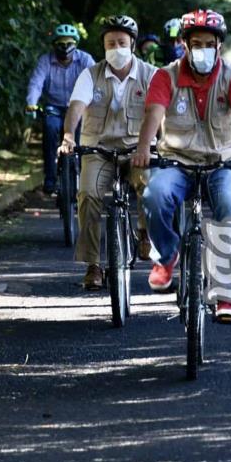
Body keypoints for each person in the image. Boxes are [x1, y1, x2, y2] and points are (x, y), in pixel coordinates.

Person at [131, 9, 231, 324]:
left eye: (208, 43)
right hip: (176, 160)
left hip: (224, 160)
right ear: (184, 45)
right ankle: (167, 255)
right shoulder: (167, 75)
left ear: (219, 46)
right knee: (154, 196)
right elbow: (153, 114)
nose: (202, 49)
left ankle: (227, 293)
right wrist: (143, 148)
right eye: (196, 43)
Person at [59, 16, 157, 289]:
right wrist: (68, 136)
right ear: (103, 47)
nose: (116, 48)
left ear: (133, 45)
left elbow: (161, 114)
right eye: (110, 43)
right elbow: (77, 106)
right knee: (87, 194)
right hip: (98, 150)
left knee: (149, 186)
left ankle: (145, 233)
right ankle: (93, 265)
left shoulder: (151, 75)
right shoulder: (90, 74)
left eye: (122, 42)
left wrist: (163, 142)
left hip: (138, 150)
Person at [26, 23, 95, 194]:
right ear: (54, 45)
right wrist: (31, 102)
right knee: (50, 131)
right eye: (61, 44)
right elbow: (36, 83)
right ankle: (50, 178)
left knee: (81, 142)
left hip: (78, 108)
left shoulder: (85, 60)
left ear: (76, 44)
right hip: (54, 108)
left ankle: (82, 176)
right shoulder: (45, 61)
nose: (65, 48)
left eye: (69, 44)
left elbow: (97, 81)